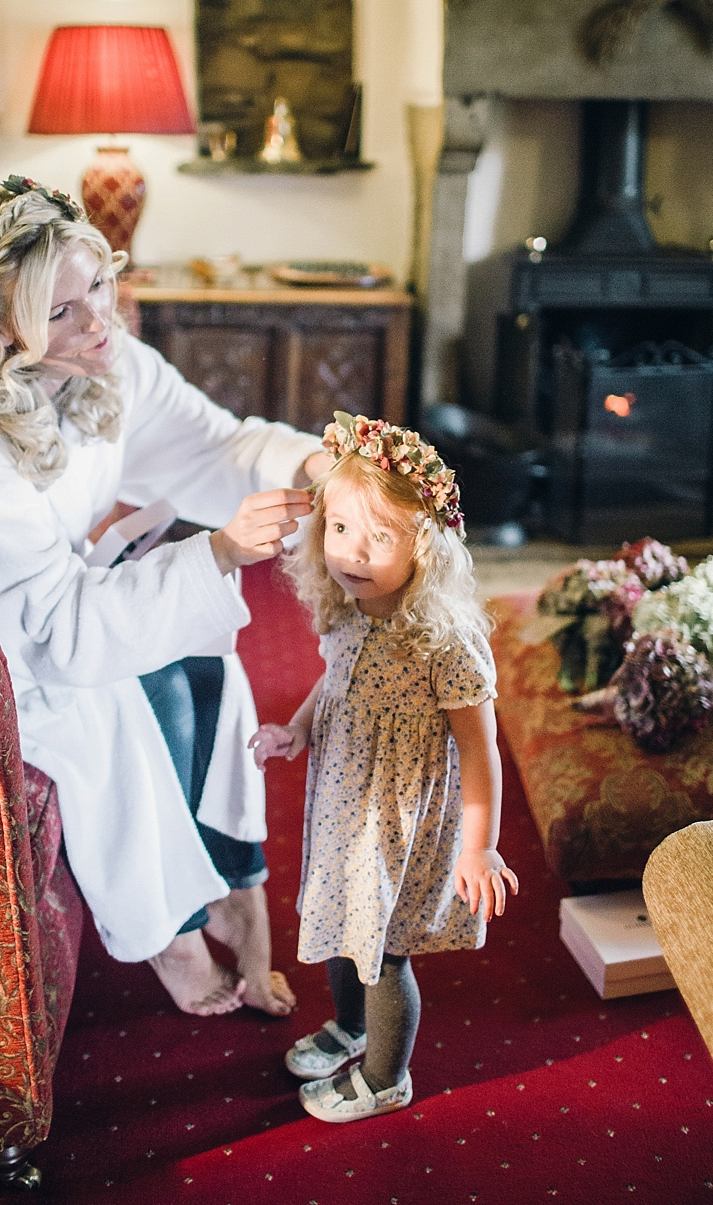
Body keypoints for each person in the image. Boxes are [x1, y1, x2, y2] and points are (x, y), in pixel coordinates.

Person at [0, 175, 329, 1018]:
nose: (99, 320)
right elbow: (50, 633)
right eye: (60, 311)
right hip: (1, 648)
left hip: (72, 601)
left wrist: (315, 466)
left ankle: (235, 884)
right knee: (126, 703)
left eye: (98, 284)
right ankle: (169, 929)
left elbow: (215, 443)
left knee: (208, 662)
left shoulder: (102, 358)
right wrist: (223, 551)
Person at [250, 412, 518, 1122]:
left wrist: (480, 845)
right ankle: (352, 1026)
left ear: (424, 547)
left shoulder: (446, 640)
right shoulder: (348, 609)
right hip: (344, 801)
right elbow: (332, 681)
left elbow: (481, 747)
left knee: (383, 951)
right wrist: (298, 729)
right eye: (339, 528)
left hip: (401, 821)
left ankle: (383, 1076)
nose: (352, 553)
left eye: (379, 536)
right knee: (342, 923)